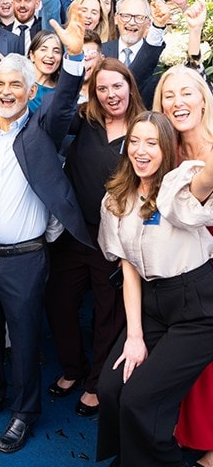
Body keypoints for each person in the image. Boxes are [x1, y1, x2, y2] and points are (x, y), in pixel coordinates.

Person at [0, 7, 92, 455]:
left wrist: (75, 56)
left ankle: (25, 413)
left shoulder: (42, 128)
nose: (6, 92)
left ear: (30, 91)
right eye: (0, 84)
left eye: (16, 85)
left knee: (24, 341)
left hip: (26, 259)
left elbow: (65, 99)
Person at [96, 111, 213, 467]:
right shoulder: (115, 199)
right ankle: (133, 458)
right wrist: (134, 337)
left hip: (198, 307)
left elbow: (204, 183)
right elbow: (128, 268)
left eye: (152, 143)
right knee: (111, 388)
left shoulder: (179, 186)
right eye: (134, 141)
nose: (141, 151)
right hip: (150, 303)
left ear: (167, 147)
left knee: (140, 400)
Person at [45, 59, 144, 417]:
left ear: (130, 86)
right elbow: (55, 116)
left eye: (116, 86)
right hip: (74, 232)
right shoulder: (84, 118)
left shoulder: (142, 127)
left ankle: (96, 381)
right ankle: (73, 368)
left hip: (115, 239)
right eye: (102, 88)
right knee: (58, 303)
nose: (109, 94)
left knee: (109, 313)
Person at [153, 58, 213, 466]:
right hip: (183, 269)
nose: (178, 102)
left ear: (204, 100)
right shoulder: (163, 152)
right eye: (169, 95)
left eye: (186, 92)